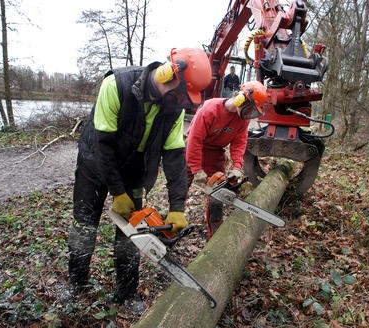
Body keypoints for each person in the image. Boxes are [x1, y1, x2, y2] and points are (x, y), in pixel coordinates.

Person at [67, 47, 212, 310]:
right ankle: (77, 282)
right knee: (85, 224)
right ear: (169, 74)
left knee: (132, 232)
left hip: (134, 167)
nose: (181, 102)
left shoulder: (174, 110)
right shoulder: (116, 85)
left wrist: (177, 208)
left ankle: (126, 291)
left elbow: (174, 156)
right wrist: (116, 191)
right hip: (95, 163)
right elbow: (103, 145)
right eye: (180, 95)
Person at [185, 80, 267, 238]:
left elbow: (239, 142)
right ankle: (174, 219)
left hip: (215, 152)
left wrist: (237, 166)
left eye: (254, 113)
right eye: (250, 110)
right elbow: (194, 141)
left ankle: (215, 230)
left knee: (218, 191)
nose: (249, 115)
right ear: (240, 99)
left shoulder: (242, 120)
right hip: (193, 150)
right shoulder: (209, 109)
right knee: (181, 187)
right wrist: (196, 169)